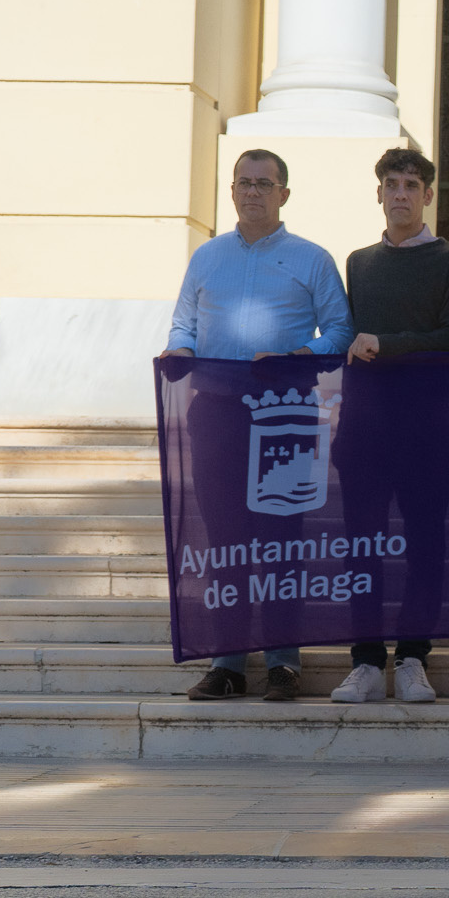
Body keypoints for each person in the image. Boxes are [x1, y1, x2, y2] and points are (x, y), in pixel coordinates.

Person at [165, 149, 353, 702]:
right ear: (232, 190)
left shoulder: (313, 259)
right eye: (244, 183)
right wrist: (179, 349)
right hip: (217, 412)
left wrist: (303, 352)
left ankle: (283, 662)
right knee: (226, 540)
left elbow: (340, 330)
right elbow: (183, 323)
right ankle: (226, 663)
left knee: (279, 538)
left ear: (284, 194)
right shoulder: (206, 258)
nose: (252, 193)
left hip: (284, 415)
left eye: (264, 184)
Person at [330, 148, 449, 705]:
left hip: (423, 429)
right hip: (362, 428)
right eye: (391, 183)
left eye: (411, 184)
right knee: (360, 548)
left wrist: (387, 345)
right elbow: (345, 336)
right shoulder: (359, 261)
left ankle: (413, 658)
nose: (400, 194)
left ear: (427, 195)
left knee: (426, 547)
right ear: (378, 193)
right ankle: (365, 662)